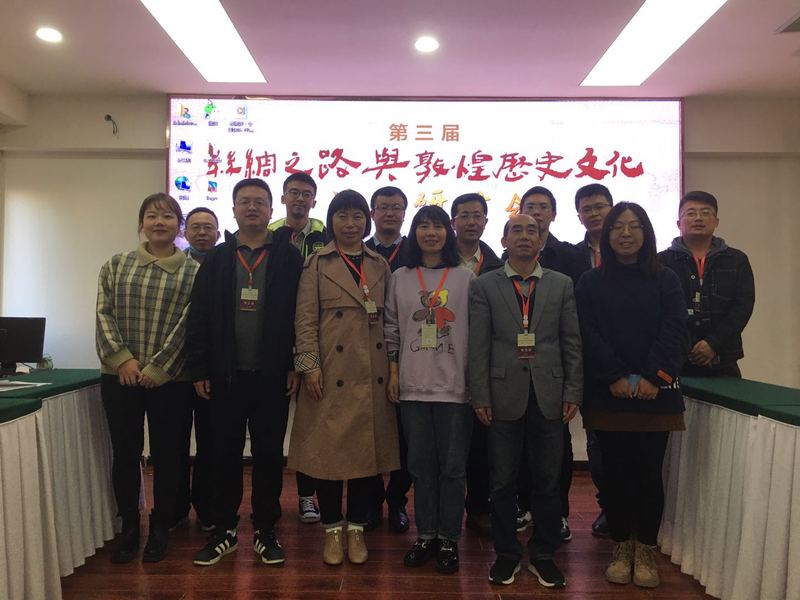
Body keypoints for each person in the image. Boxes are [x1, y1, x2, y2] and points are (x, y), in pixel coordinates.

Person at [187, 178, 304, 567]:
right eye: (244, 201)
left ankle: (265, 529)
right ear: (234, 209)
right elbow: (199, 316)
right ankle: (224, 529)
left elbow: (300, 316)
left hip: (273, 375)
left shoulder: (288, 257)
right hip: (226, 376)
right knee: (224, 454)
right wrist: (200, 368)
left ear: (272, 210)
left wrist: (295, 364)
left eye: (259, 202)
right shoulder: (218, 258)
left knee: (269, 455)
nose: (252, 207)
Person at [575, 202, 688, 589]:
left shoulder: (666, 278)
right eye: (618, 227)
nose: (626, 233)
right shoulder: (590, 281)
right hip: (609, 393)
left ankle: (647, 548)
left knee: (649, 474)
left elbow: (675, 329)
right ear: (606, 235)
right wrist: (616, 376)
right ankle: (622, 545)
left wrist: (654, 377)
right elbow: (587, 333)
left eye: (634, 226)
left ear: (646, 233)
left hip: (657, 395)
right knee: (614, 474)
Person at [469, 214, 582, 589]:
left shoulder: (561, 284)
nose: (523, 236)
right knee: (502, 481)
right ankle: (506, 554)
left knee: (548, 480)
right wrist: (480, 394)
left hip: (550, 394)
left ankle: (544, 553)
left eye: (531, 230)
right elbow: (478, 345)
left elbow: (571, 341)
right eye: (515, 230)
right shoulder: (484, 286)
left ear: (541, 239)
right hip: (502, 395)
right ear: (504, 240)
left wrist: (573, 390)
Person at [288, 190, 400, 566]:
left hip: (373, 373)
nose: (350, 224)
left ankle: (356, 529)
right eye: (342, 216)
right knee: (329, 457)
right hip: (329, 373)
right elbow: (304, 320)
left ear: (366, 221)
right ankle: (332, 529)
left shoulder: (379, 264)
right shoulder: (317, 263)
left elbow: (390, 321)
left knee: (367, 457)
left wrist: (394, 369)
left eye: (357, 217)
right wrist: (309, 366)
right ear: (331, 220)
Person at [96, 192, 199, 563]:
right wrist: (123, 361)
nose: (160, 222)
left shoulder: (194, 271)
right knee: (125, 453)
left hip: (171, 380)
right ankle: (128, 526)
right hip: (120, 377)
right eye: (152, 215)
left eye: (168, 216)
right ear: (141, 223)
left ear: (179, 226)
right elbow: (103, 314)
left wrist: (158, 368)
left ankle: (160, 526)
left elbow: (189, 325)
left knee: (169, 456)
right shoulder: (116, 264)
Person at [385, 205, 475, 574]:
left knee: (452, 470)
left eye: (438, 226)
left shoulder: (465, 277)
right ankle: (426, 535)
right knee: (420, 468)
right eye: (423, 226)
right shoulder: (400, 277)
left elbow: (476, 333)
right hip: (412, 387)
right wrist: (393, 372)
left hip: (455, 389)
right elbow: (391, 328)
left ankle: (449, 538)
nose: (431, 233)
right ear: (414, 233)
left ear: (448, 233)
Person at [516, 186, 584, 541]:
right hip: (514, 373)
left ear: (554, 214)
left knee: (557, 450)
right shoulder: (506, 260)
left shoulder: (570, 257)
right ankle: (524, 506)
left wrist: (573, 382)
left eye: (543, 207)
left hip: (552, 373)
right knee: (519, 447)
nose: (537, 213)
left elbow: (574, 328)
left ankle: (557, 513)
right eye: (530, 207)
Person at [268, 172, 325, 524]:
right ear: (283, 198)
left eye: (306, 194)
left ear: (314, 201)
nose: (300, 199)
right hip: (275, 342)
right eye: (294, 193)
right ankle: (271, 504)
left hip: (316, 339)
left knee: (311, 426)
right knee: (273, 431)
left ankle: (308, 497)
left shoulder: (325, 234)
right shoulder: (269, 234)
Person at [449, 192, 503, 539]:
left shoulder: (498, 265)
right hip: (444, 358)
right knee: (448, 442)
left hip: (487, 363)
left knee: (483, 443)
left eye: (477, 215)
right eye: (464, 215)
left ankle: (479, 508)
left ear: (486, 221)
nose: (471, 222)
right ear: (453, 221)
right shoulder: (437, 261)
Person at [658, 191, 754, 377]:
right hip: (675, 359)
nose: (698, 218)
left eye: (705, 212)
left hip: (723, 358)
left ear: (716, 222)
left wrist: (713, 343)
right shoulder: (661, 262)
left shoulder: (736, 260)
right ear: (678, 223)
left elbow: (742, 307)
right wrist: (690, 347)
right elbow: (660, 310)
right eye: (691, 213)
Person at [362, 185, 412, 533]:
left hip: (410, 353)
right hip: (365, 350)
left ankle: (397, 501)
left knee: (405, 436)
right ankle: (369, 502)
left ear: (405, 214)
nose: (390, 213)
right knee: (369, 431)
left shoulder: (415, 251)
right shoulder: (360, 252)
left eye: (397, 208)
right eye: (384, 207)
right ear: (373, 213)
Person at [171, 207, 221, 532]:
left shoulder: (225, 264)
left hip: (211, 370)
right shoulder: (174, 265)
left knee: (210, 443)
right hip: (174, 368)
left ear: (218, 232)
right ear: (185, 232)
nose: (202, 233)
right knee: (175, 443)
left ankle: (206, 508)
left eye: (208, 227)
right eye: (196, 227)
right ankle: (175, 509)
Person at [572, 183, 614, 537]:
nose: (594, 213)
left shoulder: (637, 254)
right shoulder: (570, 256)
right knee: (597, 439)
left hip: (634, 362)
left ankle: (634, 507)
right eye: (587, 209)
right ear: (579, 216)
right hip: (589, 360)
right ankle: (608, 506)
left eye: (600, 206)